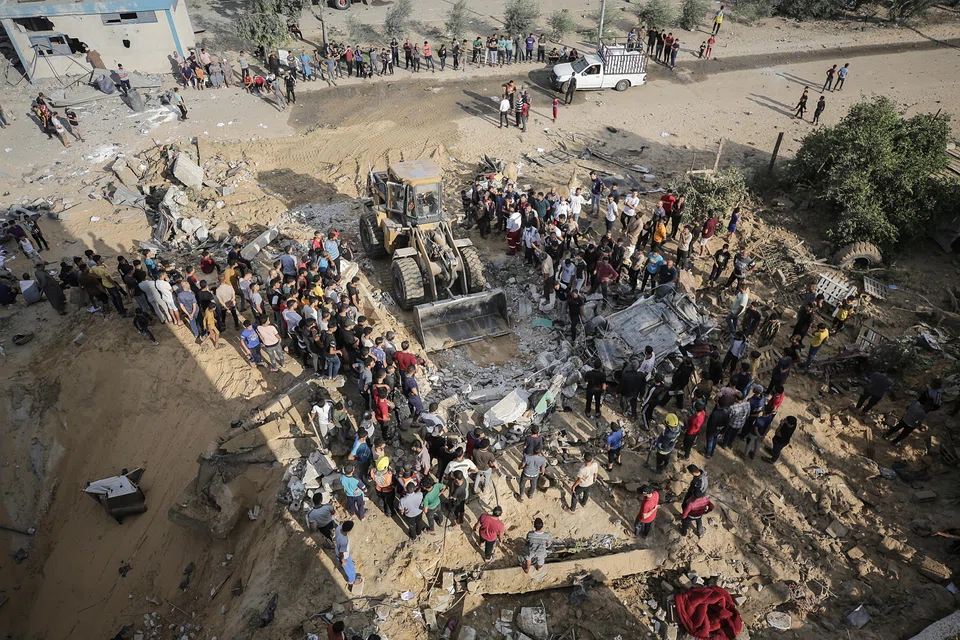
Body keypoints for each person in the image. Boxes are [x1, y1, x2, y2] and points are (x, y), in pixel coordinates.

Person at [335, 520, 358, 588]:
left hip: (338, 550)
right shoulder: (344, 541)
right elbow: (341, 553)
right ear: (349, 530)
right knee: (350, 569)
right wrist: (343, 561)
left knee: (350, 564)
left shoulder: (338, 528)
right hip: (344, 556)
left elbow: (340, 523)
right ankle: (351, 580)